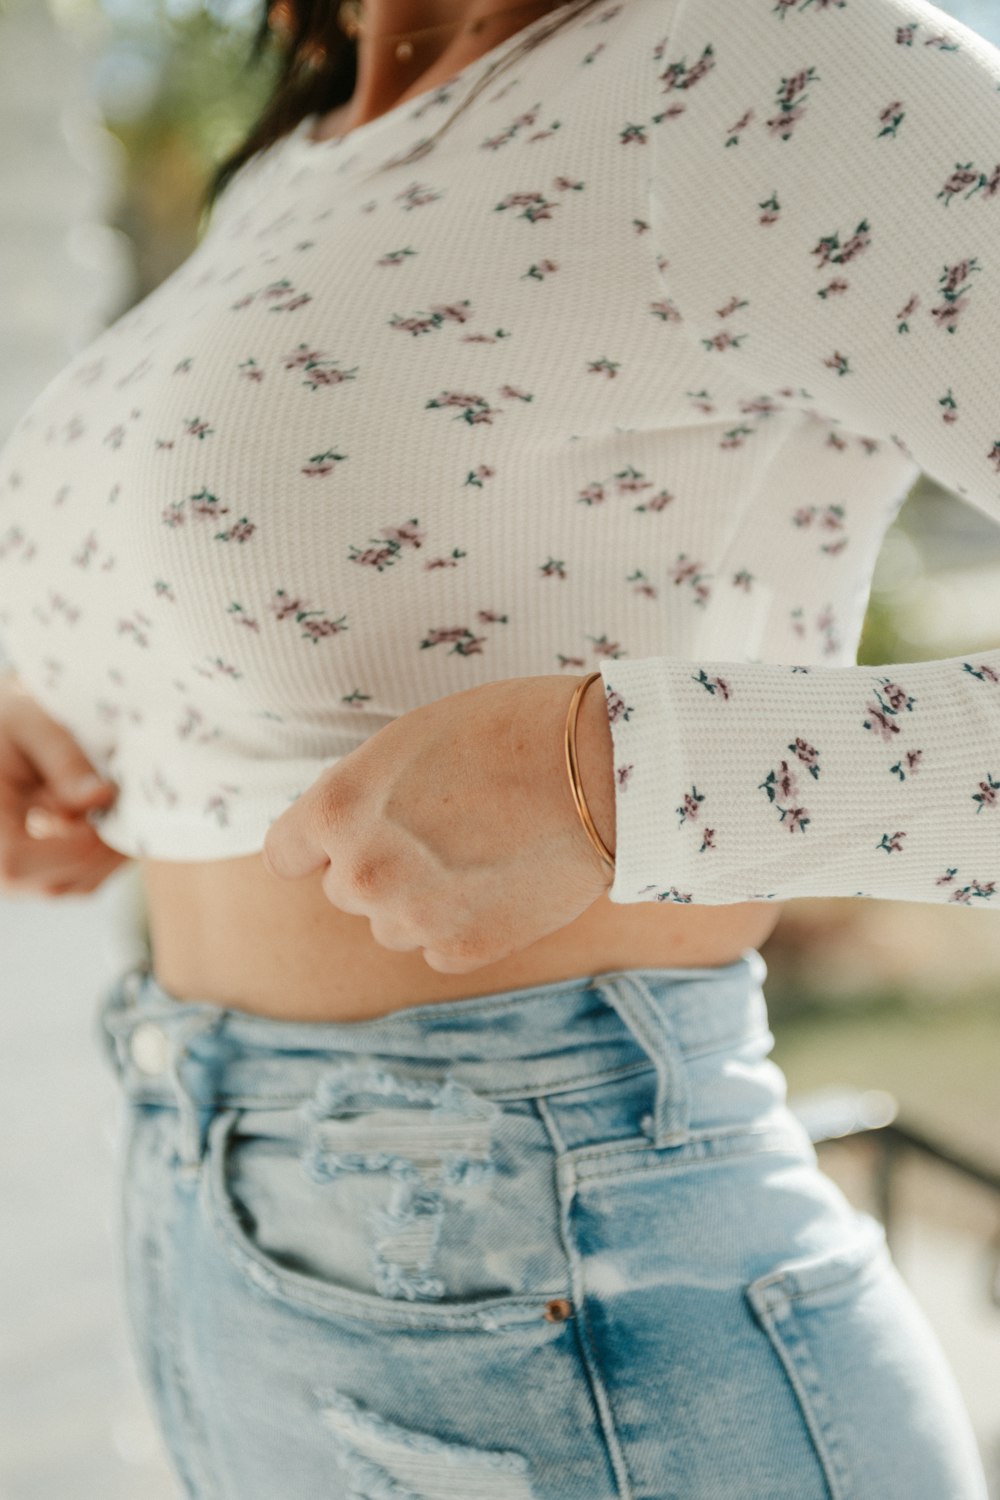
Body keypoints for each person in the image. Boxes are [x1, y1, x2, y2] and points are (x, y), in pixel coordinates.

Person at [0, 0, 994, 1493]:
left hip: (572, 1285)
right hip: (216, 1230)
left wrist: (617, 775)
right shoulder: (306, 160)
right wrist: (73, 707)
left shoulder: (784, 68)